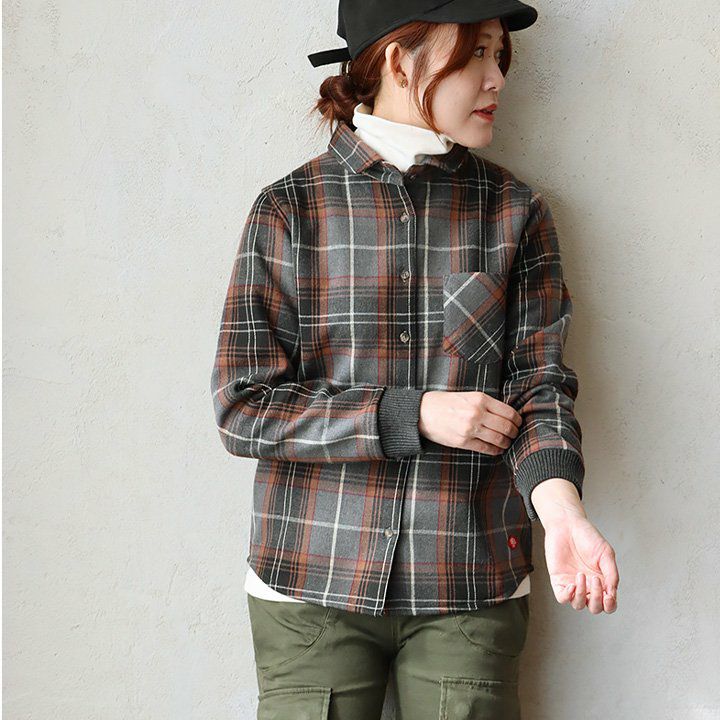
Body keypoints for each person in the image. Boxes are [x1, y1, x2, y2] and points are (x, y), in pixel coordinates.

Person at [210, 1, 620, 717]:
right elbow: (243, 408)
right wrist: (412, 414)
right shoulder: (289, 210)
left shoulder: (514, 211)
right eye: (478, 53)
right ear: (401, 62)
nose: (498, 78)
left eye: (499, 55)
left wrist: (562, 514)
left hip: (469, 577)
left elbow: (541, 386)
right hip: (310, 580)